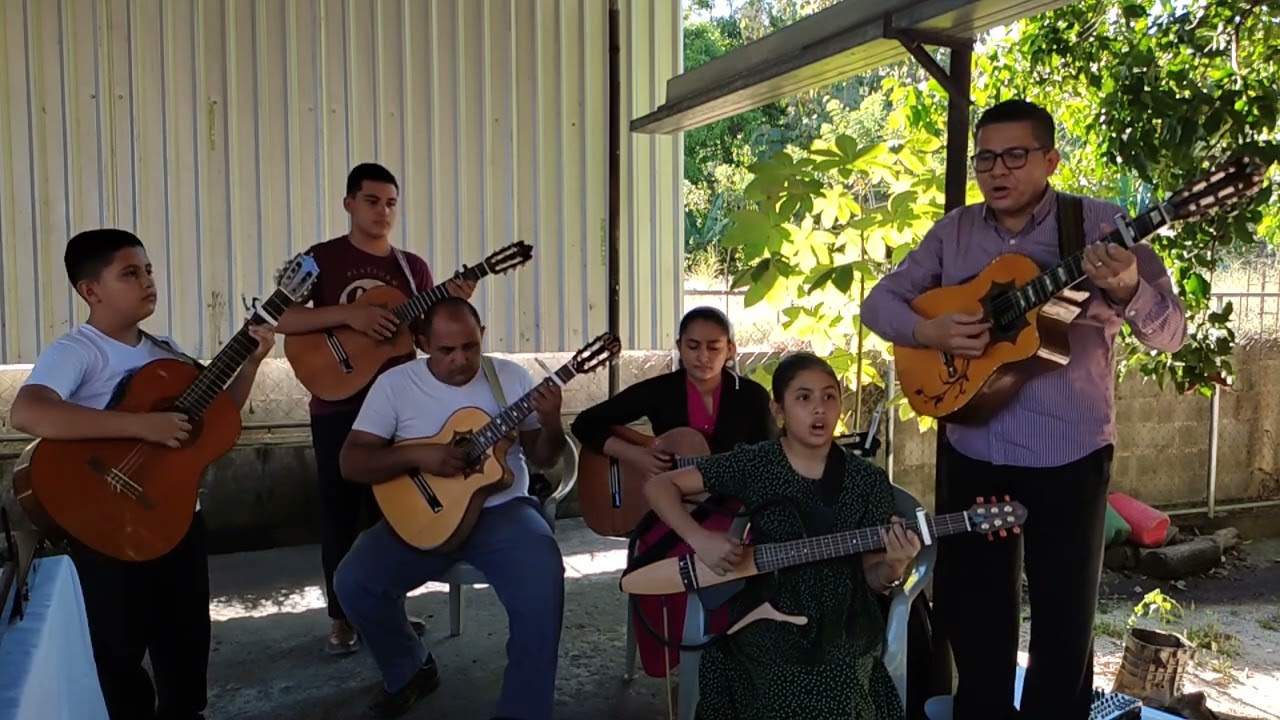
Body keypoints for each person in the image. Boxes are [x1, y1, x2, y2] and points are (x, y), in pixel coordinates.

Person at [861, 99, 1188, 719]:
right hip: (975, 450)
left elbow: (1171, 332)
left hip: (1069, 454)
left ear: (1050, 159)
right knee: (973, 616)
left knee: (1064, 626)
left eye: (1015, 155)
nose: (996, 170)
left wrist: (1126, 288)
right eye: (985, 157)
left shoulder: (1099, 226)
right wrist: (930, 335)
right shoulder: (953, 232)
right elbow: (880, 305)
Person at [9, 228, 275, 720]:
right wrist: (141, 425)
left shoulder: (165, 349)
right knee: (117, 656)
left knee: (185, 648)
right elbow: (29, 412)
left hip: (177, 522)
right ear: (91, 291)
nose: (148, 281)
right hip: (107, 524)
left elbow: (215, 420)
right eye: (130, 273)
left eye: (148, 270)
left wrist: (251, 363)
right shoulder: (78, 351)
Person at [642, 351, 922, 720]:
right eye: (803, 398)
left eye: (829, 396)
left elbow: (874, 577)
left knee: (837, 685)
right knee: (763, 678)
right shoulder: (756, 463)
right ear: (779, 410)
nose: (818, 409)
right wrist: (700, 538)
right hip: (766, 602)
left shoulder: (866, 480)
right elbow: (660, 487)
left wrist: (894, 566)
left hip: (844, 614)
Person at [273, 162, 475, 655]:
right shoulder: (317, 260)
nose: (382, 211)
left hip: (402, 408)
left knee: (391, 511)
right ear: (349, 203)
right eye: (371, 201)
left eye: (390, 203)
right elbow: (277, 315)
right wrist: (349, 315)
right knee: (340, 513)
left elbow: (427, 340)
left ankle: (383, 605)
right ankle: (342, 617)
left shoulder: (414, 270)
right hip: (338, 403)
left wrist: (454, 307)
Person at [333, 297, 566, 719]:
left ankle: (524, 711)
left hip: (502, 512)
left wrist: (551, 422)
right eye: (447, 351)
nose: (461, 360)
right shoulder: (395, 385)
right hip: (424, 511)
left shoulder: (510, 379)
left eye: (470, 347)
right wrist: (421, 457)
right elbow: (352, 462)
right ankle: (409, 669)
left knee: (543, 579)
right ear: (422, 343)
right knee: (353, 581)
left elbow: (545, 458)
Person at [571, 306, 776, 678]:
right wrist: (635, 454)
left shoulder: (751, 396)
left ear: (731, 349)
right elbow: (586, 423)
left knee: (726, 557)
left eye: (713, 347)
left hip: (734, 507)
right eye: (693, 346)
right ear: (678, 347)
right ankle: (667, 664)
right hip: (670, 506)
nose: (703, 356)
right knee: (652, 560)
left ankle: (722, 659)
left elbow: (769, 461)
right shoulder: (662, 390)